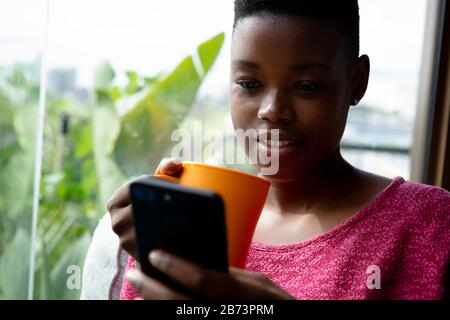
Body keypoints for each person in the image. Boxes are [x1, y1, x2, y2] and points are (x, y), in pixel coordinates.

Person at [107, 0, 450, 300]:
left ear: (356, 83)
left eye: (306, 86)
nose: (272, 109)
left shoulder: (430, 223)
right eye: (249, 83)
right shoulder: (186, 223)